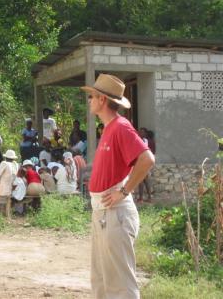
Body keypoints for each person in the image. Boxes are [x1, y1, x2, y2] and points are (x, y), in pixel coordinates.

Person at [81, 73, 155, 299]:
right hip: (103, 212)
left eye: (92, 96)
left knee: (120, 284)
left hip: (115, 212)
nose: (89, 100)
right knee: (102, 279)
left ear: (102, 99)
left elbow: (147, 159)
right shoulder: (109, 128)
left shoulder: (121, 127)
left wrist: (123, 192)